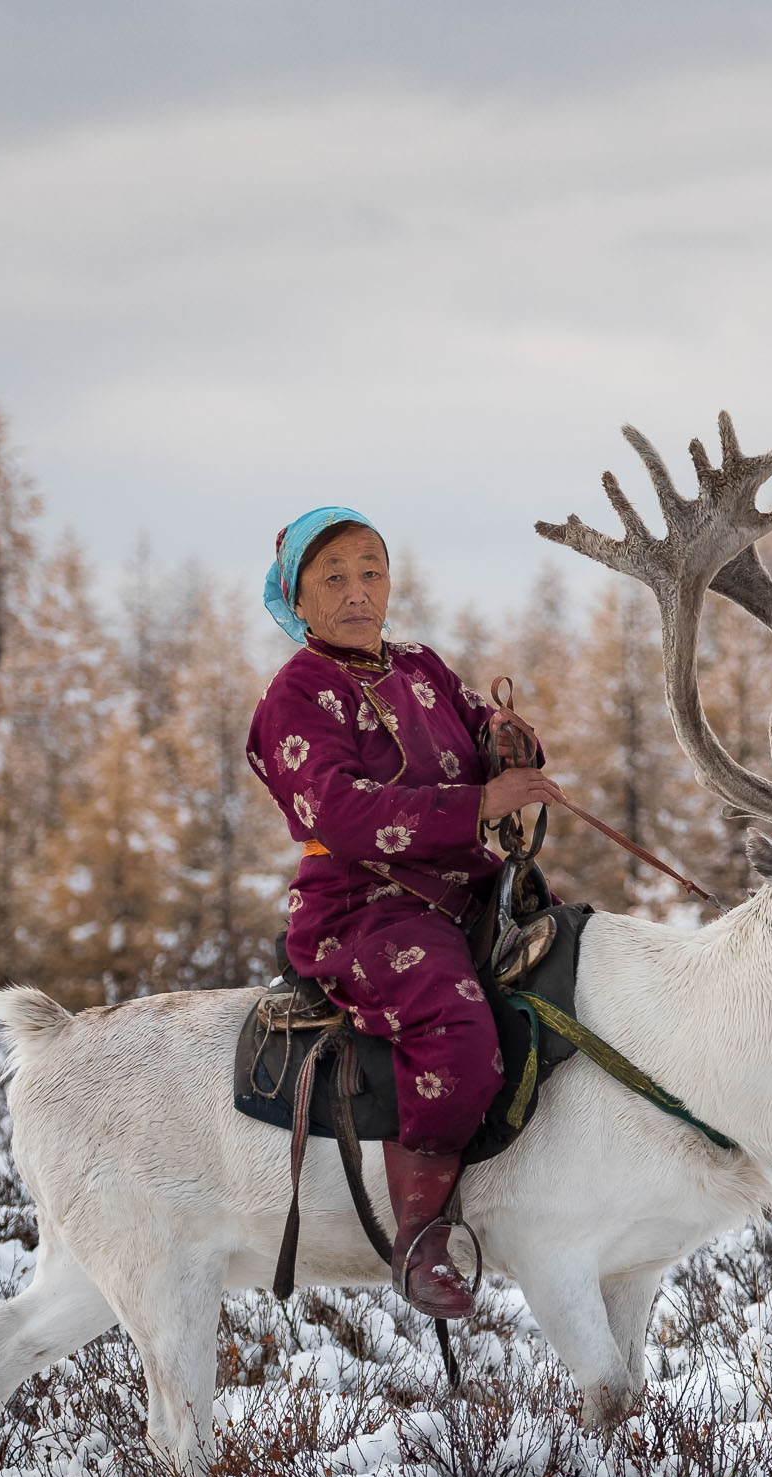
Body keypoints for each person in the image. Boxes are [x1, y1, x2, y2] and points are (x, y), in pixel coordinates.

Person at [248, 507, 558, 1319]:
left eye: (371, 570)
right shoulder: (297, 693)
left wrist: (504, 739)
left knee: (569, 960)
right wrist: (481, 801)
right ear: (299, 601)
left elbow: (471, 722)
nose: (358, 591)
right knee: (455, 1027)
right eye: (334, 577)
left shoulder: (420, 665)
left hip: (465, 883)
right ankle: (420, 1235)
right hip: (363, 906)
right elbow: (341, 814)